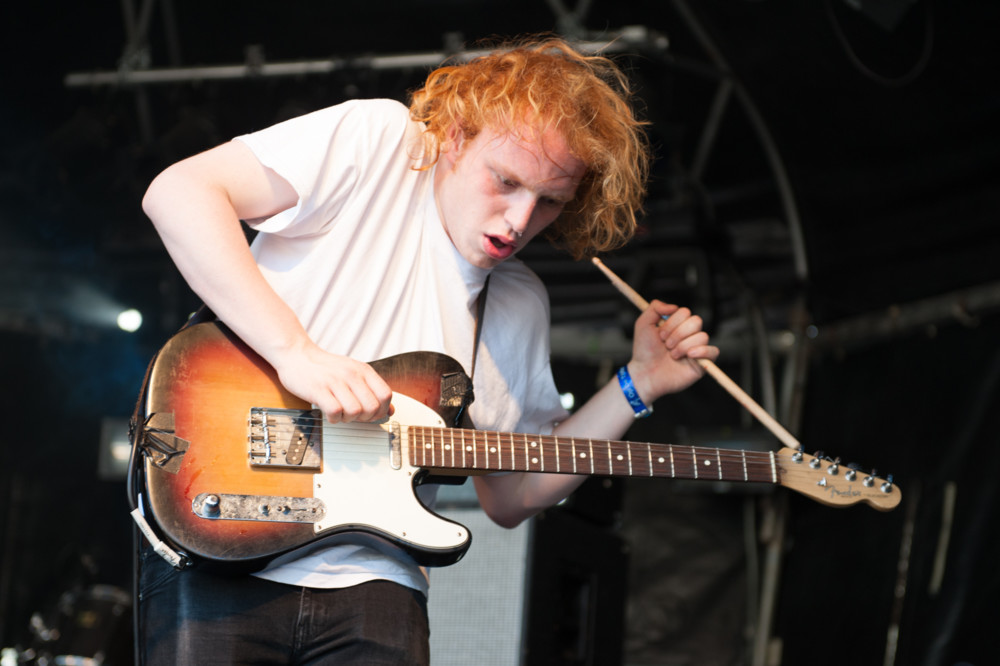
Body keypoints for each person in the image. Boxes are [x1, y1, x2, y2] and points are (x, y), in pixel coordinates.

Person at [137, 35, 719, 665]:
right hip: (225, 530)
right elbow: (179, 192)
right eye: (506, 181)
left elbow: (512, 496)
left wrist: (638, 384)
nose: (520, 220)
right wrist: (295, 352)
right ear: (457, 137)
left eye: (550, 201)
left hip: (379, 584)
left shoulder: (520, 304)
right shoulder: (380, 140)